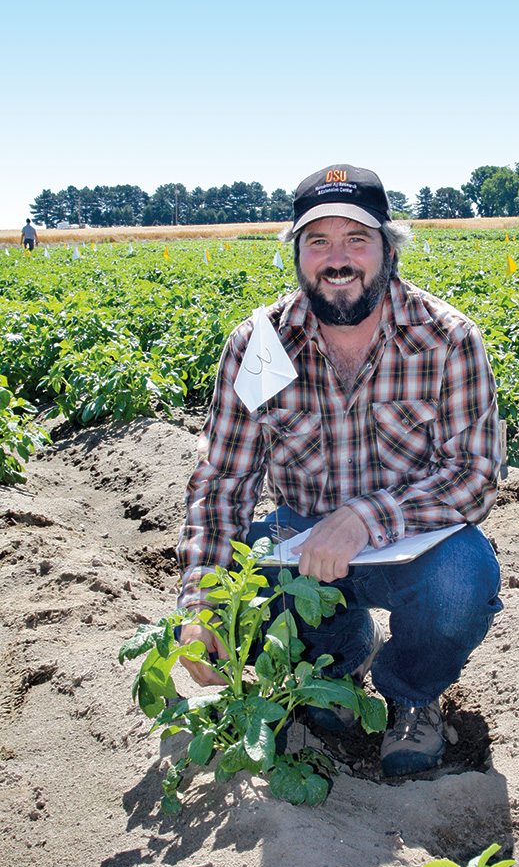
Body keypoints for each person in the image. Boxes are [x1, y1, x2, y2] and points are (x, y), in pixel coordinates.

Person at [175, 163, 502, 776]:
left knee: (462, 581)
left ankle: (412, 693)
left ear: (389, 249)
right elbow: (223, 482)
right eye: (318, 241)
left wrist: (363, 518)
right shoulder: (261, 345)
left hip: (416, 544)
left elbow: (476, 474)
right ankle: (338, 665)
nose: (337, 258)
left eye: (356, 238)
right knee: (244, 591)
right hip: (303, 542)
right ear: (297, 255)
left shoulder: (446, 338)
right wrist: (202, 602)